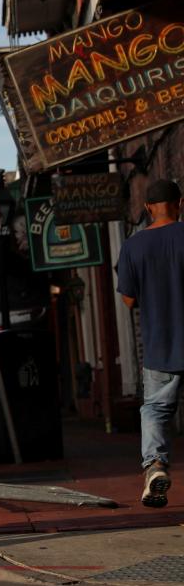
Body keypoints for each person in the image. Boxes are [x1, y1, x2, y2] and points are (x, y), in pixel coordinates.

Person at [117, 178, 184, 508]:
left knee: (156, 409)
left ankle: (156, 466)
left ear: (147, 209)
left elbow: (128, 299)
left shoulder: (132, 246)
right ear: (180, 203)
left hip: (160, 345)